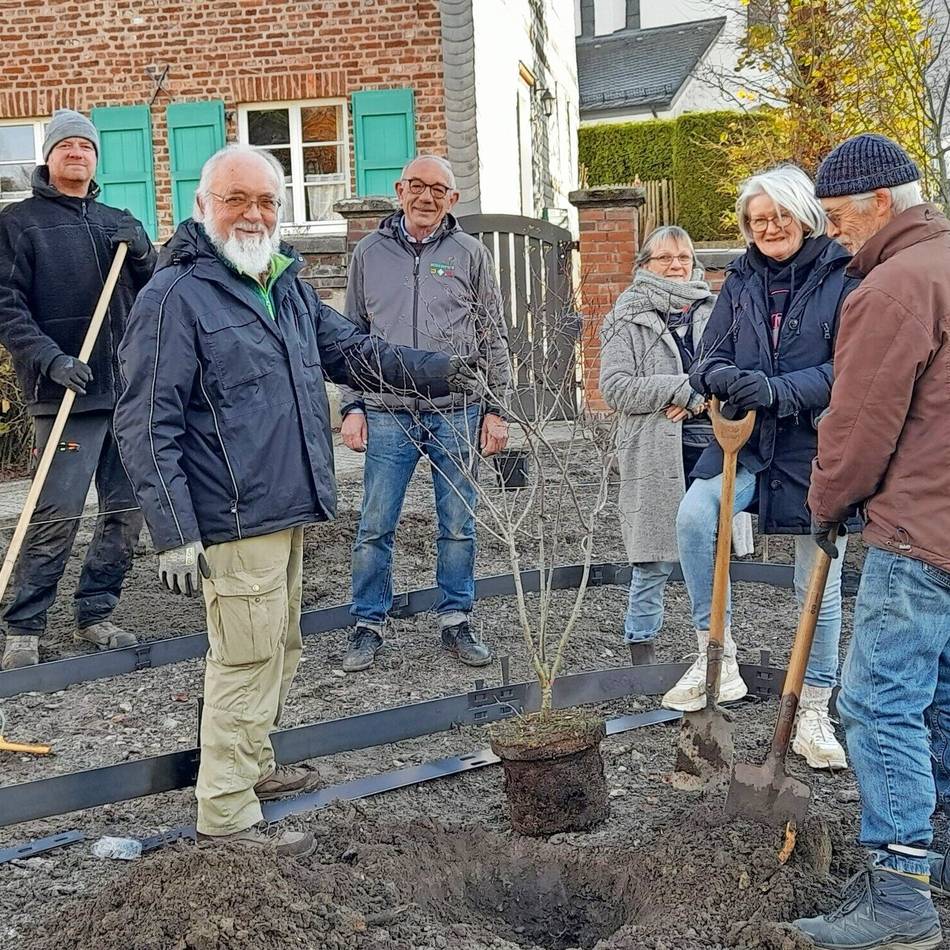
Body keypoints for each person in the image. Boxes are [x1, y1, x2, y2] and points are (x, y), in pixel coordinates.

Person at [113, 145, 474, 856]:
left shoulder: (284, 286)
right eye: (236, 199)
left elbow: (357, 354)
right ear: (201, 206)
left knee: (280, 647)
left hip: (286, 507)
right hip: (231, 516)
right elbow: (144, 421)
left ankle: (253, 770)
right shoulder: (174, 296)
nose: (253, 214)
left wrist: (442, 371)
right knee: (245, 659)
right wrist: (175, 532)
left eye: (267, 201)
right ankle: (225, 815)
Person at [792, 135, 946, 950]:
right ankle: (936, 858)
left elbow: (856, 427)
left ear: (884, 201)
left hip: (918, 535)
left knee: (877, 708)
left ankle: (898, 901)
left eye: (843, 215)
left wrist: (830, 503)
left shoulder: (893, 287)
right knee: (942, 702)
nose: (836, 232)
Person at [668, 164, 859, 772]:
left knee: (817, 582)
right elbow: (707, 360)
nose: (769, 227)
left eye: (780, 215)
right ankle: (713, 657)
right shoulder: (740, 281)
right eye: (757, 219)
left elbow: (846, 370)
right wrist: (729, 380)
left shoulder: (844, 277)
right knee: (697, 518)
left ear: (805, 214)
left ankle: (813, 707)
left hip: (816, 449)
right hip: (745, 443)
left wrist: (776, 390)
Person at [338, 155, 510, 674]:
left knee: (457, 525)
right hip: (388, 412)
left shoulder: (470, 254)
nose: (426, 196)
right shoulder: (368, 253)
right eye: (416, 185)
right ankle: (368, 623)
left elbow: (492, 335)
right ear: (399, 189)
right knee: (374, 525)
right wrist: (352, 405)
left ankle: (455, 620)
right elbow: (348, 339)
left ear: (453, 200)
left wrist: (496, 410)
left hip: (456, 410)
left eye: (439, 188)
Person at [0, 109, 154, 670]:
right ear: (48, 156)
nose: (76, 154)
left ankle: (96, 612)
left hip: (124, 392)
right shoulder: (20, 224)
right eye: (64, 145)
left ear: (96, 158)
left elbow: (153, 293)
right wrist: (50, 358)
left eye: (85, 146)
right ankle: (24, 625)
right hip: (65, 392)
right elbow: (6, 306)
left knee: (127, 509)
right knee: (56, 512)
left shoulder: (117, 221)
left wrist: (142, 254)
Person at [600, 226, 752, 665]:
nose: (676, 265)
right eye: (664, 258)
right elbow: (616, 389)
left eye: (683, 257)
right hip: (653, 448)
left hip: (714, 445)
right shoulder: (626, 317)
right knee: (653, 556)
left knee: (711, 549)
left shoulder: (717, 311)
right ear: (644, 265)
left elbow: (736, 375)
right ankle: (641, 646)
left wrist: (697, 399)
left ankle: (716, 647)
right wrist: (685, 389)